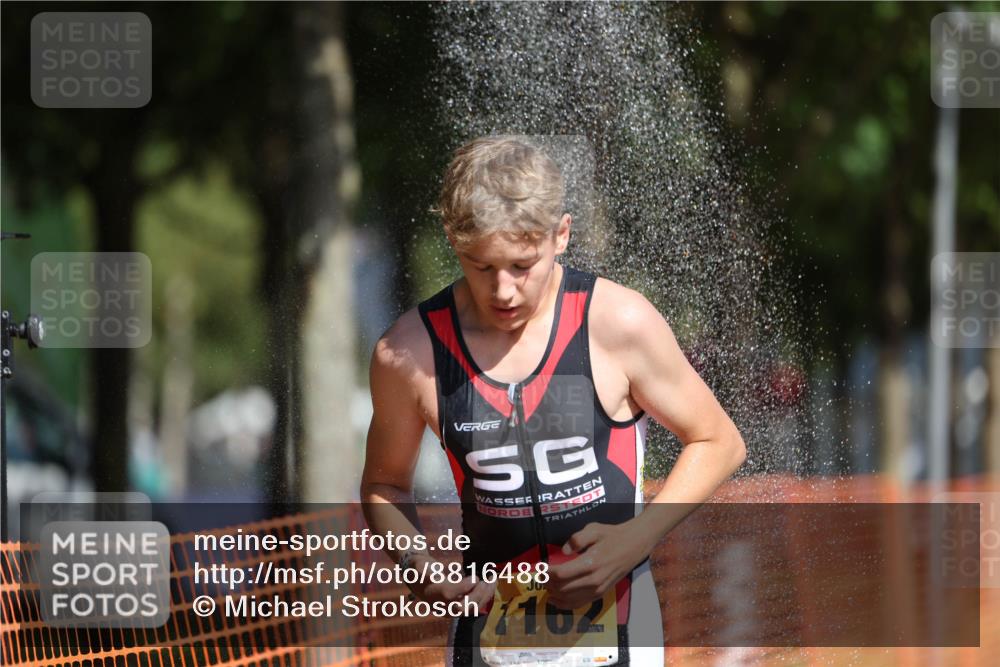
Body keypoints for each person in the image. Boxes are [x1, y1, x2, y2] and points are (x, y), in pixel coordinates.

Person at [360, 136, 746, 666]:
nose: (503, 291)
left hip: (621, 632)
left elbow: (719, 441)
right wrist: (418, 564)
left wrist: (633, 541)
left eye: (522, 265)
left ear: (560, 235)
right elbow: (384, 483)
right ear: (452, 239)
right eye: (481, 266)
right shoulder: (408, 352)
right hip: (486, 639)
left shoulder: (618, 323)